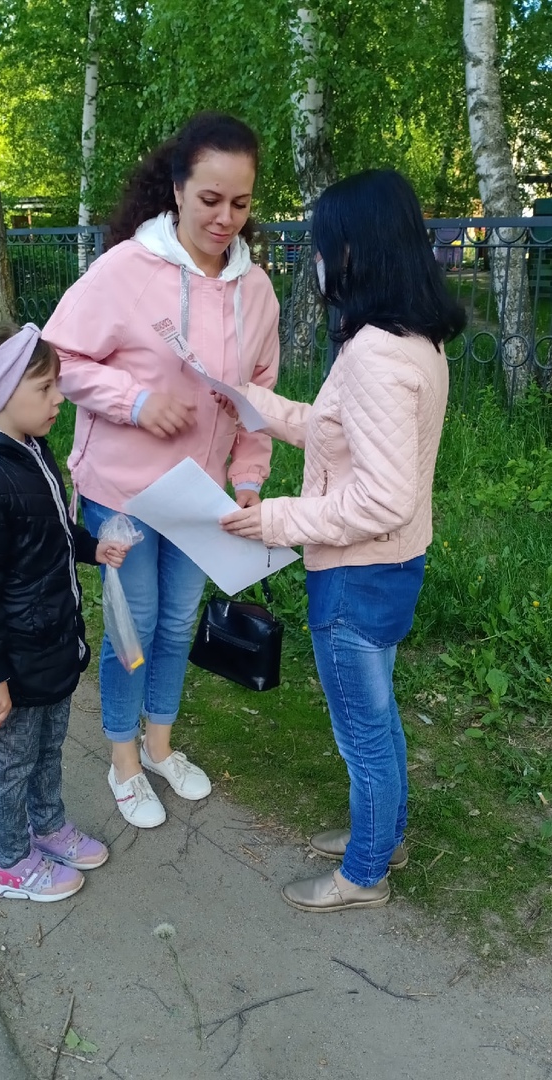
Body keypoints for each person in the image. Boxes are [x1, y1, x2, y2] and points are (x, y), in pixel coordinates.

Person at [220, 169, 466, 912]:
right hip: (389, 565)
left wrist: (275, 520)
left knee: (363, 733)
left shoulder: (374, 356)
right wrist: (250, 402)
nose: (318, 264)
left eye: (324, 248)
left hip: (357, 574)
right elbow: (338, 432)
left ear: (357, 250)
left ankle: (363, 874)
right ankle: (382, 835)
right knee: (377, 719)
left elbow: (382, 496)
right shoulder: (411, 340)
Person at [43, 111, 280, 829]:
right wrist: (137, 402)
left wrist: (248, 480)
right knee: (135, 626)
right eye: (209, 199)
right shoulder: (124, 270)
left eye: (239, 203)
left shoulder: (256, 290)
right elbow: (59, 359)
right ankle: (121, 757)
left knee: (177, 623)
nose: (225, 219)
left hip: (199, 498)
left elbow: (259, 398)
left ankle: (158, 745)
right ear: (177, 190)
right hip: (123, 491)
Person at [0, 322, 130, 902]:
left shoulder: (32, 451)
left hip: (50, 644)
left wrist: (91, 548)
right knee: (9, 764)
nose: (59, 400)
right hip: (13, 662)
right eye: (46, 388)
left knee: (48, 749)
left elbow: (53, 530)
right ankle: (10, 863)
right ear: (1, 392)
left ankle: (47, 827)